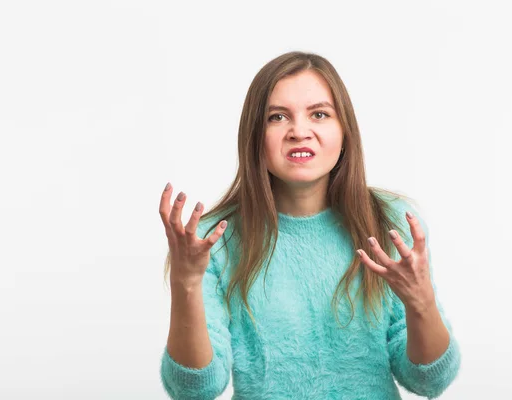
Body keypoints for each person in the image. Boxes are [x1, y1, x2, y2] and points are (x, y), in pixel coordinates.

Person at [158, 51, 461, 400]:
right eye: (277, 117)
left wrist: (420, 301)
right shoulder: (215, 239)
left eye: (319, 114)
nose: (299, 131)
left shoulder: (391, 223)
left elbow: (429, 381)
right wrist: (186, 283)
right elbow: (194, 388)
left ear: (344, 130)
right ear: (255, 136)